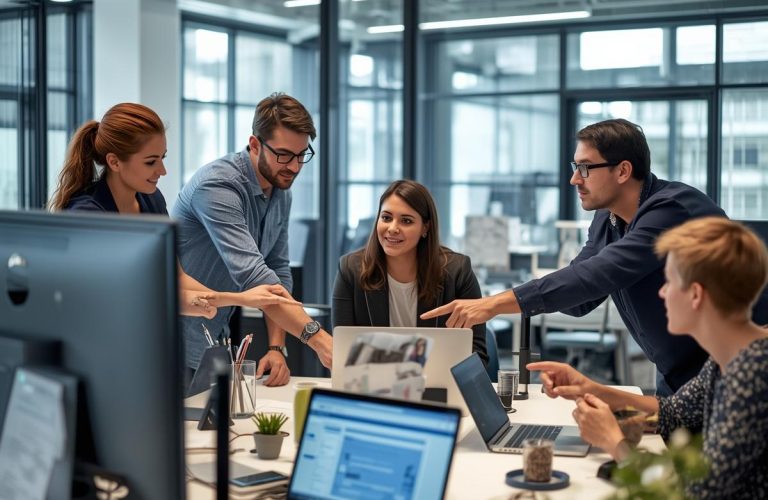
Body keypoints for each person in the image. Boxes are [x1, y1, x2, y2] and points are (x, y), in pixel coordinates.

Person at [423, 118, 768, 395]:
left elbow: (599, 274)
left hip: (731, 367)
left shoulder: (670, 211)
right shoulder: (608, 217)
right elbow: (582, 293)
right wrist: (541, 294)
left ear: (622, 171)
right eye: (575, 167)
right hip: (677, 375)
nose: (575, 179)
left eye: (586, 168)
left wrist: (495, 303)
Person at [528, 217, 768, 498]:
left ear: (695, 295)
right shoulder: (729, 357)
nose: (662, 292)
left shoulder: (752, 375)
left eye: (670, 281)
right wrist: (590, 389)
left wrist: (613, 442)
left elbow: (695, 494)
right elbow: (672, 413)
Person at [47, 102, 298, 329]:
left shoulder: (151, 200)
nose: (162, 170)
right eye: (151, 162)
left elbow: (175, 278)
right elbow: (146, 294)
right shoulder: (88, 215)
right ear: (114, 162)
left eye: (162, 158)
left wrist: (214, 302)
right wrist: (238, 298)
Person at [172, 92, 333, 386]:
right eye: (284, 155)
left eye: (302, 155)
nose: (294, 167)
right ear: (255, 144)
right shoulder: (218, 186)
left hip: (212, 340)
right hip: (172, 344)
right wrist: (320, 341)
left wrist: (276, 346)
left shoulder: (280, 190)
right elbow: (253, 275)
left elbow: (277, 270)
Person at [333, 180, 488, 366]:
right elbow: (341, 350)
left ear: (425, 228)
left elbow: (477, 356)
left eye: (406, 221)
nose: (392, 228)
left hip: (439, 388)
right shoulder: (350, 269)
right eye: (386, 218)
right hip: (373, 387)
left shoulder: (457, 271)